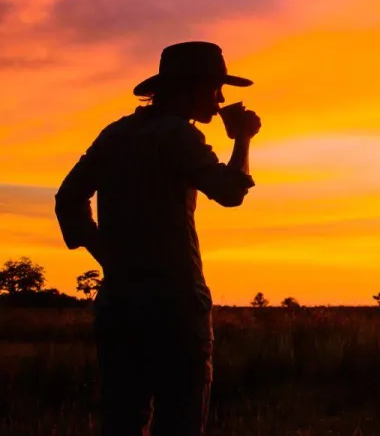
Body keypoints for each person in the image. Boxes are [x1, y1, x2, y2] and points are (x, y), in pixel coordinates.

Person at [55, 41, 262, 436]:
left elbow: (68, 199)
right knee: (181, 422)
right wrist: (242, 139)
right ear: (190, 88)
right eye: (215, 88)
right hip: (176, 307)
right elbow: (230, 193)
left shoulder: (116, 134)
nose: (220, 100)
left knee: (122, 422)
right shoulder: (180, 136)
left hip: (119, 304)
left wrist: (107, 254)